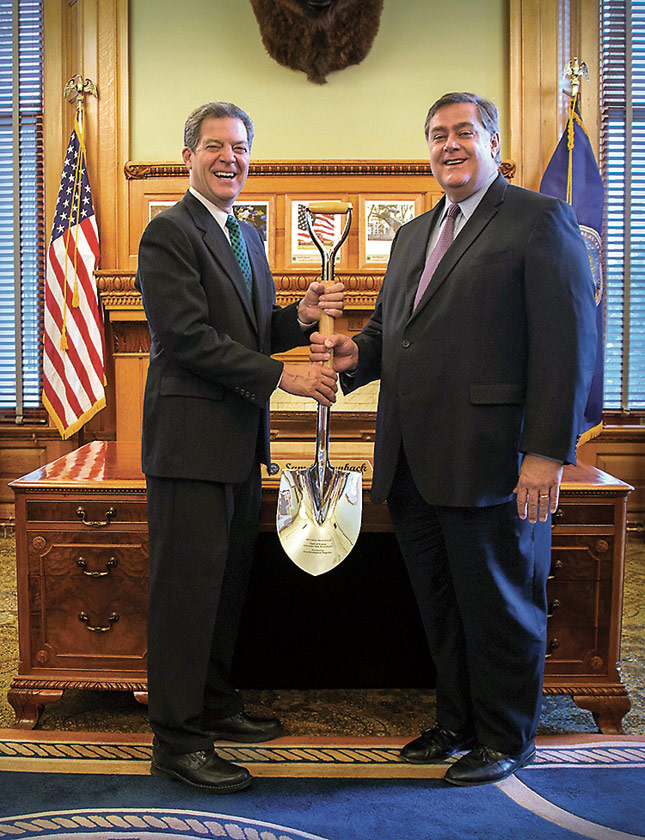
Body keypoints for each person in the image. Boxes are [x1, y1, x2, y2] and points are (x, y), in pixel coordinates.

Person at [310, 91, 597, 786]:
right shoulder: (411, 234)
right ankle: (456, 722)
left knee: (498, 605)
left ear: (491, 141)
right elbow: (393, 332)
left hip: (494, 460)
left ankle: (505, 737)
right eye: (436, 134)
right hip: (411, 458)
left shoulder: (538, 220)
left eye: (463, 132)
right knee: (440, 604)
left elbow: (567, 346)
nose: (448, 145)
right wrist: (357, 356)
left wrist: (543, 455)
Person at [136, 101, 343, 793]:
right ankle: (177, 740)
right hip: (189, 444)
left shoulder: (246, 236)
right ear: (188, 156)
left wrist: (298, 316)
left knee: (223, 593)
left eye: (241, 147)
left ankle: (215, 706)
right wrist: (285, 373)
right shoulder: (168, 232)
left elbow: (249, 332)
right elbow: (186, 339)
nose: (231, 158)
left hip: (234, 444)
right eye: (216, 146)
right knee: (184, 598)